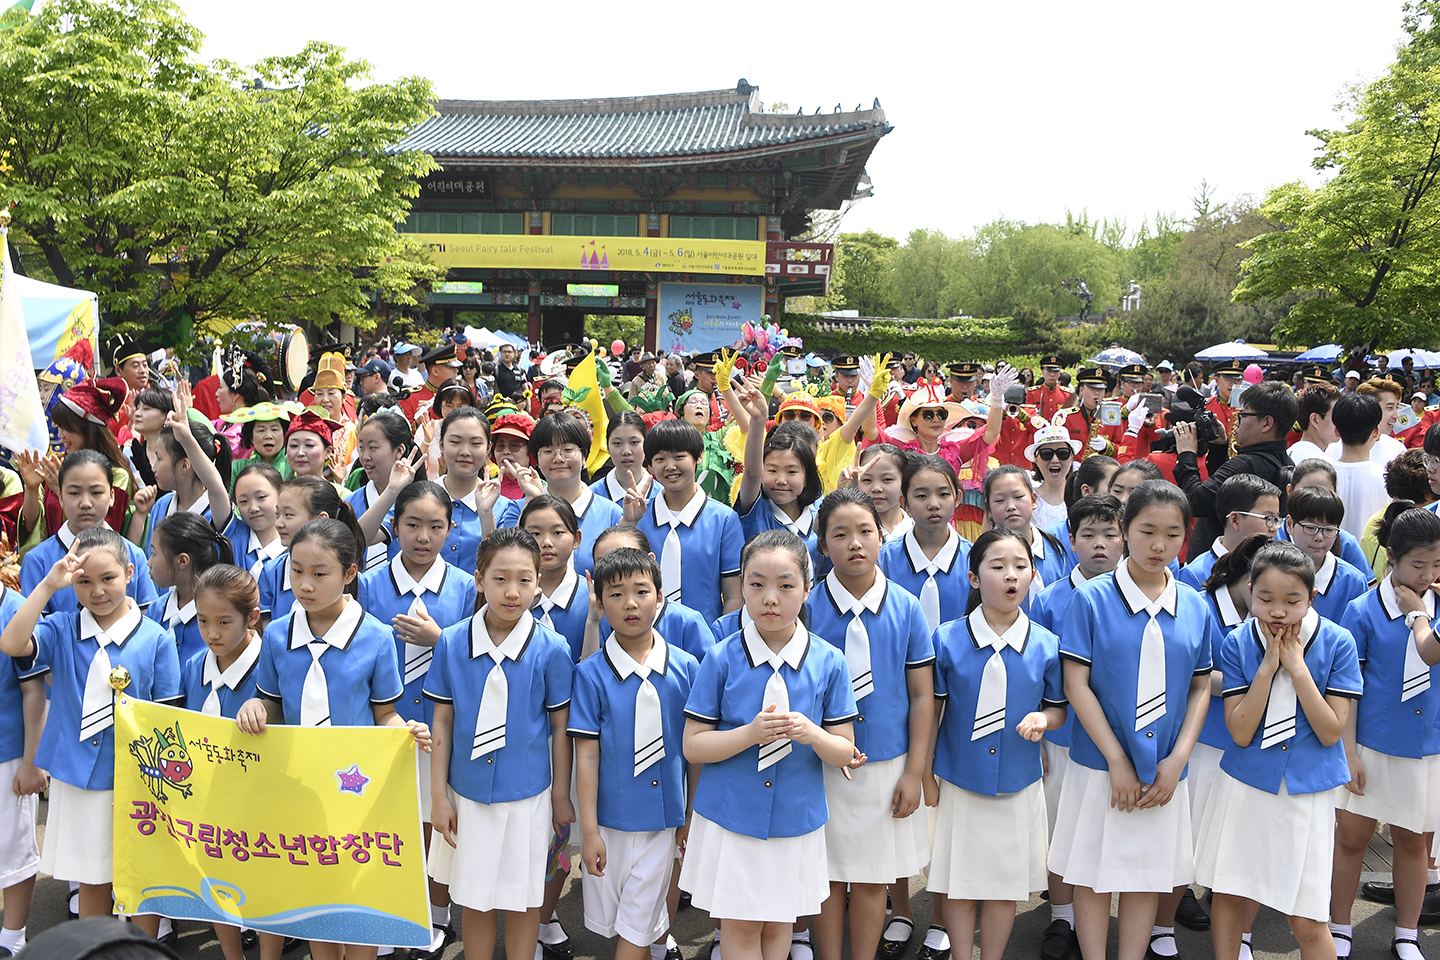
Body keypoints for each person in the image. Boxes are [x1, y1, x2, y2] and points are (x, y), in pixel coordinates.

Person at [1049, 481, 1214, 960]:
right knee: (1093, 872)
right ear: (1124, 530)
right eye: (1146, 531)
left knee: (1148, 874)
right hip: (1101, 764)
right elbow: (1075, 684)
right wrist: (1117, 760)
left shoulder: (1194, 604)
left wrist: (1177, 759)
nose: (1158, 545)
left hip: (1165, 769)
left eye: (1172, 534)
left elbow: (1201, 686)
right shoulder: (1093, 599)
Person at [679, 530, 859, 960]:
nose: (770, 598)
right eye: (756, 584)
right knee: (739, 928)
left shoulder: (829, 661)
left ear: (807, 588)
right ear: (741, 587)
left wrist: (812, 733)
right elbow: (693, 746)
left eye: (785, 585)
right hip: (731, 815)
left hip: (795, 818)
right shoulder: (722, 657)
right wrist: (750, 734)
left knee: (780, 926)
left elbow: (844, 752)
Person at [0, 526, 183, 930]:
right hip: (79, 777)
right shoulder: (63, 628)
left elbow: (169, 718)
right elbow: (12, 644)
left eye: (108, 579)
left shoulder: (154, 638)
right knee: (92, 880)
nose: (97, 591)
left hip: (140, 779)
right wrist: (49, 585)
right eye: (83, 583)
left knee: (140, 879)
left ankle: (139, 953)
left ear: (130, 573)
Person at [1194, 542, 1360, 960]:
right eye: (1265, 598)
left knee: (1306, 917)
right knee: (1231, 894)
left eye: (1292, 600)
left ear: (1312, 597)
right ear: (1250, 590)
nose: (1278, 610)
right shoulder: (1237, 642)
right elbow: (1240, 731)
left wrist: (1298, 668)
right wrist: (1267, 668)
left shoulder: (1337, 642)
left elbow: (1330, 731)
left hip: (1307, 791)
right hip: (1246, 783)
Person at [424, 527, 573, 960]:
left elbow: (561, 728)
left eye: (525, 580)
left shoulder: (552, 648)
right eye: (500, 579)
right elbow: (443, 721)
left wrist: (560, 796)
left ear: (539, 583)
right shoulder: (452, 641)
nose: (512, 592)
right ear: (478, 580)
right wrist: (439, 795)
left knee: (524, 897)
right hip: (466, 793)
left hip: (527, 795)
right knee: (474, 896)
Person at [804, 490, 934, 960]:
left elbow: (922, 695)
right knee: (829, 874)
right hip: (821, 765)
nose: (854, 543)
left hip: (886, 763)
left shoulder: (906, 607)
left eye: (865, 531)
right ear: (822, 545)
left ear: (883, 536)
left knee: (873, 875)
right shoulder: (808, 610)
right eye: (840, 534)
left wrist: (914, 772)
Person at [928, 529, 1066, 960]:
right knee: (959, 880)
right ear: (973, 578)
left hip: (1018, 782)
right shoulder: (946, 639)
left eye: (1021, 566)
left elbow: (1059, 709)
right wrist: (926, 776)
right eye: (998, 566)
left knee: (1004, 885)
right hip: (957, 779)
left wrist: (1043, 719)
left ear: (1032, 575)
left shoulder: (1047, 645)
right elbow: (931, 712)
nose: (1011, 575)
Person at [355, 480, 474, 958]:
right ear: (395, 526)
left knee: (438, 820)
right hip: (385, 728)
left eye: (436, 526)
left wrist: (439, 638)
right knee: (389, 825)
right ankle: (390, 912)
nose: (423, 537)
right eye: (412, 525)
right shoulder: (368, 584)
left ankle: (437, 913)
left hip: (444, 729)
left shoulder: (466, 587)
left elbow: (476, 656)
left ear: (451, 529)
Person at [570, 547, 699, 960]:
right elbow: (586, 756)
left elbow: (694, 753)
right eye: (616, 594)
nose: (630, 603)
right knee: (627, 925)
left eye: (641, 591)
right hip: (609, 822)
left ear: (660, 598)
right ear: (600, 604)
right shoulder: (589, 674)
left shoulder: (686, 668)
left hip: (664, 820)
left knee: (638, 928)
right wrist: (589, 832)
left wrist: (691, 816)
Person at [1330, 505, 1440, 960]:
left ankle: (1407, 933)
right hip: (1372, 744)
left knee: (1414, 842)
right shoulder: (1362, 610)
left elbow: (1430, 654)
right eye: (1419, 564)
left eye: (1437, 563)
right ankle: (1338, 925)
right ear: (1391, 556)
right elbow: (1349, 691)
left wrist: (1420, 615)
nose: (1428, 574)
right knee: (1351, 837)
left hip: (1427, 746)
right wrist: (1348, 752)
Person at [1029, 494, 1125, 960]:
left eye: (1110, 534)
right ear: (1071, 540)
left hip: (1120, 738)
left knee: (1110, 827)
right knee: (1061, 828)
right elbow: (1038, 674)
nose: (1100, 544)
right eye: (1088, 535)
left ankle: (1122, 921)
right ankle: (1062, 917)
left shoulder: (1138, 593)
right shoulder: (1050, 597)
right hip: (1064, 737)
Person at [180, 564, 284, 960]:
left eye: (224, 622)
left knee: (264, 885)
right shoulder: (194, 666)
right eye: (203, 621)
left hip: (262, 801)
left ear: (252, 617)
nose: (212, 633)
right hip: (209, 799)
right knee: (216, 880)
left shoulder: (270, 667)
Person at [625, 420, 743, 625]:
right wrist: (628, 522)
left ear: (698, 457)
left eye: (679, 457)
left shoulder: (723, 519)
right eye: (660, 459)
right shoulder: (639, 515)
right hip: (644, 638)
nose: (670, 466)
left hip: (706, 640)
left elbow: (734, 595)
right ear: (650, 466)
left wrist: (717, 642)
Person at [19, 450, 161, 617]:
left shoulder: (133, 554)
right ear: (61, 498)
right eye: (74, 493)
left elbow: (150, 618)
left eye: (96, 493)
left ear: (112, 496)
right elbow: (33, 630)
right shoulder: (38, 560)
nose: (85, 503)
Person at [1174, 380, 1297, 562]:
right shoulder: (1287, 462)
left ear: (1266, 423)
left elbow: (1197, 501)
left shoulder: (1245, 465)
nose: (1235, 422)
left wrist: (1186, 454)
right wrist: (1219, 448)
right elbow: (1224, 494)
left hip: (1218, 567)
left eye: (1242, 415)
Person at [504, 414, 623, 579]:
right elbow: (508, 560)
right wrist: (531, 499)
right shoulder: (517, 509)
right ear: (536, 459)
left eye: (568, 450)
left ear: (584, 456)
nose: (558, 459)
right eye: (548, 451)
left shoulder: (612, 514)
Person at [879, 455, 972, 631]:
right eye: (921, 496)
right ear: (904, 502)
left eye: (943, 494)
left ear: (957, 498)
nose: (934, 504)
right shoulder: (884, 559)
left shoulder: (974, 559)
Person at [145, 513, 234, 665]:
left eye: (154, 553)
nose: (149, 562)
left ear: (182, 560)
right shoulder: (156, 610)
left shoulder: (219, 615)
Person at [1280, 486, 1369, 622]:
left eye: (1329, 530)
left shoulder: (1353, 582)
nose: (1319, 537)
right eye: (1310, 527)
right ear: (1290, 524)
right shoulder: (1271, 571)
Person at [1177, 475, 1281, 590]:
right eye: (1268, 518)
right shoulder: (1195, 574)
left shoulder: (1274, 566)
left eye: (1276, 519)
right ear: (1235, 520)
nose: (1274, 527)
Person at [981, 466, 1071, 597]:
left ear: (1034, 500)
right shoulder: (981, 555)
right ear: (988, 509)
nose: (1011, 506)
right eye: (1000, 500)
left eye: (1018, 497)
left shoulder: (1055, 550)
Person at [1328, 393, 1390, 540]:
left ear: (1336, 431)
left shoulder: (1322, 476)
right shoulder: (1385, 478)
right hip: (1370, 561)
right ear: (1376, 432)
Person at [1025, 422, 1082, 529]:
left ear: (1072, 458)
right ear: (1036, 459)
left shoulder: (1082, 498)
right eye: (1046, 454)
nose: (1055, 460)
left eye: (1063, 453)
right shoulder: (1027, 500)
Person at [1288, 383, 1340, 464]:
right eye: (1335, 415)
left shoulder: (1287, 455)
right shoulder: (1325, 466)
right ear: (1315, 419)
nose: (1340, 422)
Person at [1028, 356, 1073, 422]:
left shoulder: (1067, 394)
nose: (1052, 374)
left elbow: (1070, 418)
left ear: (1059, 374)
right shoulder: (1033, 393)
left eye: (1055, 371)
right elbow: (1029, 415)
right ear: (1043, 372)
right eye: (1049, 371)